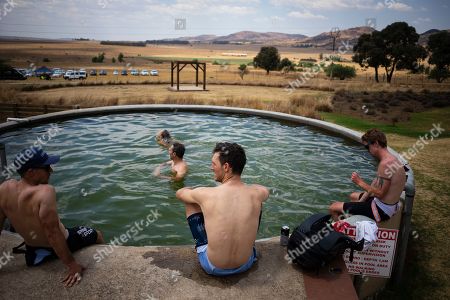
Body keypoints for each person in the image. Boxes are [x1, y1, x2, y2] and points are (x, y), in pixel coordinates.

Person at [0, 147, 104, 287]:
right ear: (31, 172)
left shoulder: (4, 188)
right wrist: (72, 265)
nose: (51, 171)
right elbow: (52, 233)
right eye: (46, 167)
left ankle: (41, 253)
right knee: (96, 234)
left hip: (32, 253)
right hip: (63, 243)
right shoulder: (45, 192)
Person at [176, 142, 269, 276]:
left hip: (212, 266)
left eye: (213, 164)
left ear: (226, 167)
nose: (211, 168)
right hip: (246, 263)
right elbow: (264, 190)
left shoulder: (205, 193)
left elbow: (179, 193)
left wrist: (193, 191)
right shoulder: (256, 193)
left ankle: (201, 244)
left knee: (190, 202)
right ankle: (246, 245)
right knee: (257, 203)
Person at [329, 129, 406, 222]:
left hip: (381, 210)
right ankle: (352, 222)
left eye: (367, 146)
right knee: (353, 196)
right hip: (387, 205)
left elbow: (379, 194)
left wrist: (359, 182)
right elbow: (375, 184)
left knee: (333, 207)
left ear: (376, 143)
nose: (368, 150)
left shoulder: (385, 164)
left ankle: (340, 232)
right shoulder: (391, 159)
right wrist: (360, 203)